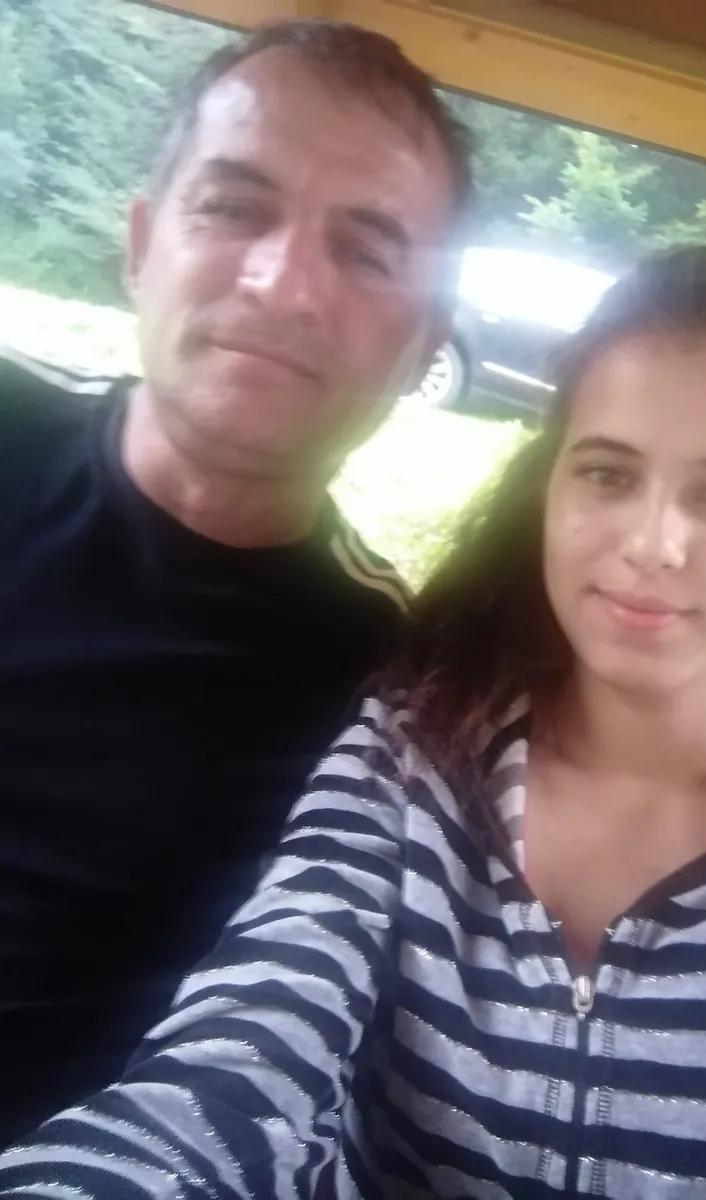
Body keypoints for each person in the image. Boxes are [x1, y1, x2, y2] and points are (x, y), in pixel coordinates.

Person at [3, 247, 706, 1199]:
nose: (654, 543)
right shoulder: (412, 757)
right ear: (551, 486)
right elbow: (243, 1052)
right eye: (608, 474)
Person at [0, 19, 472, 1146]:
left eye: (365, 251)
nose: (282, 281)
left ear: (421, 349)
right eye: (234, 208)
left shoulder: (398, 697)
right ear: (141, 243)